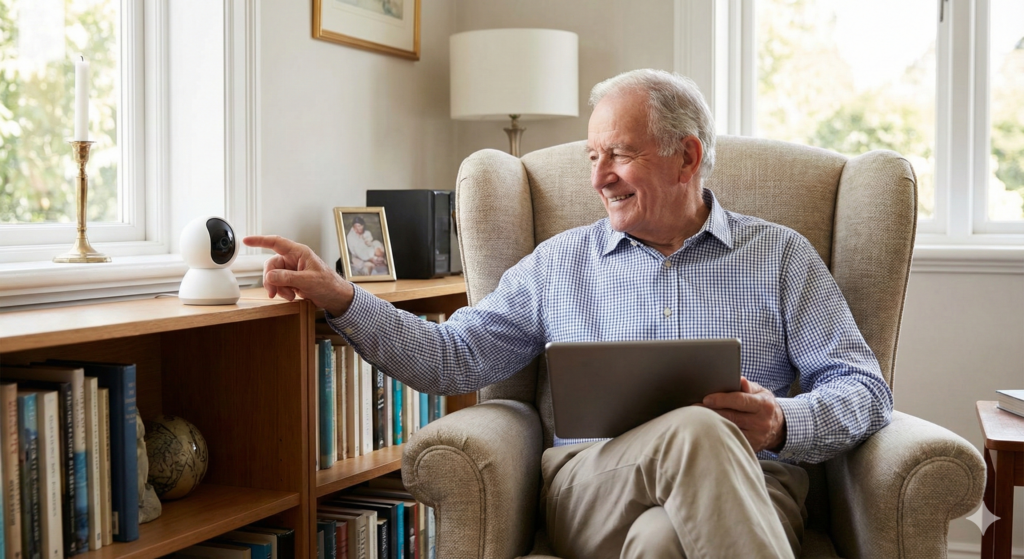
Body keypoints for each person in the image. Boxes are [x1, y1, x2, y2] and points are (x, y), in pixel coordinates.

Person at [244, 69, 892, 559]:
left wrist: (781, 420)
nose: (599, 177)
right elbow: (453, 356)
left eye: (620, 154)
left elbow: (864, 389)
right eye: (592, 156)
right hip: (592, 485)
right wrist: (344, 297)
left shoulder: (780, 256)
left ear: (687, 156)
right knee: (697, 428)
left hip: (753, 486)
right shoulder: (559, 264)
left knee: (664, 542)